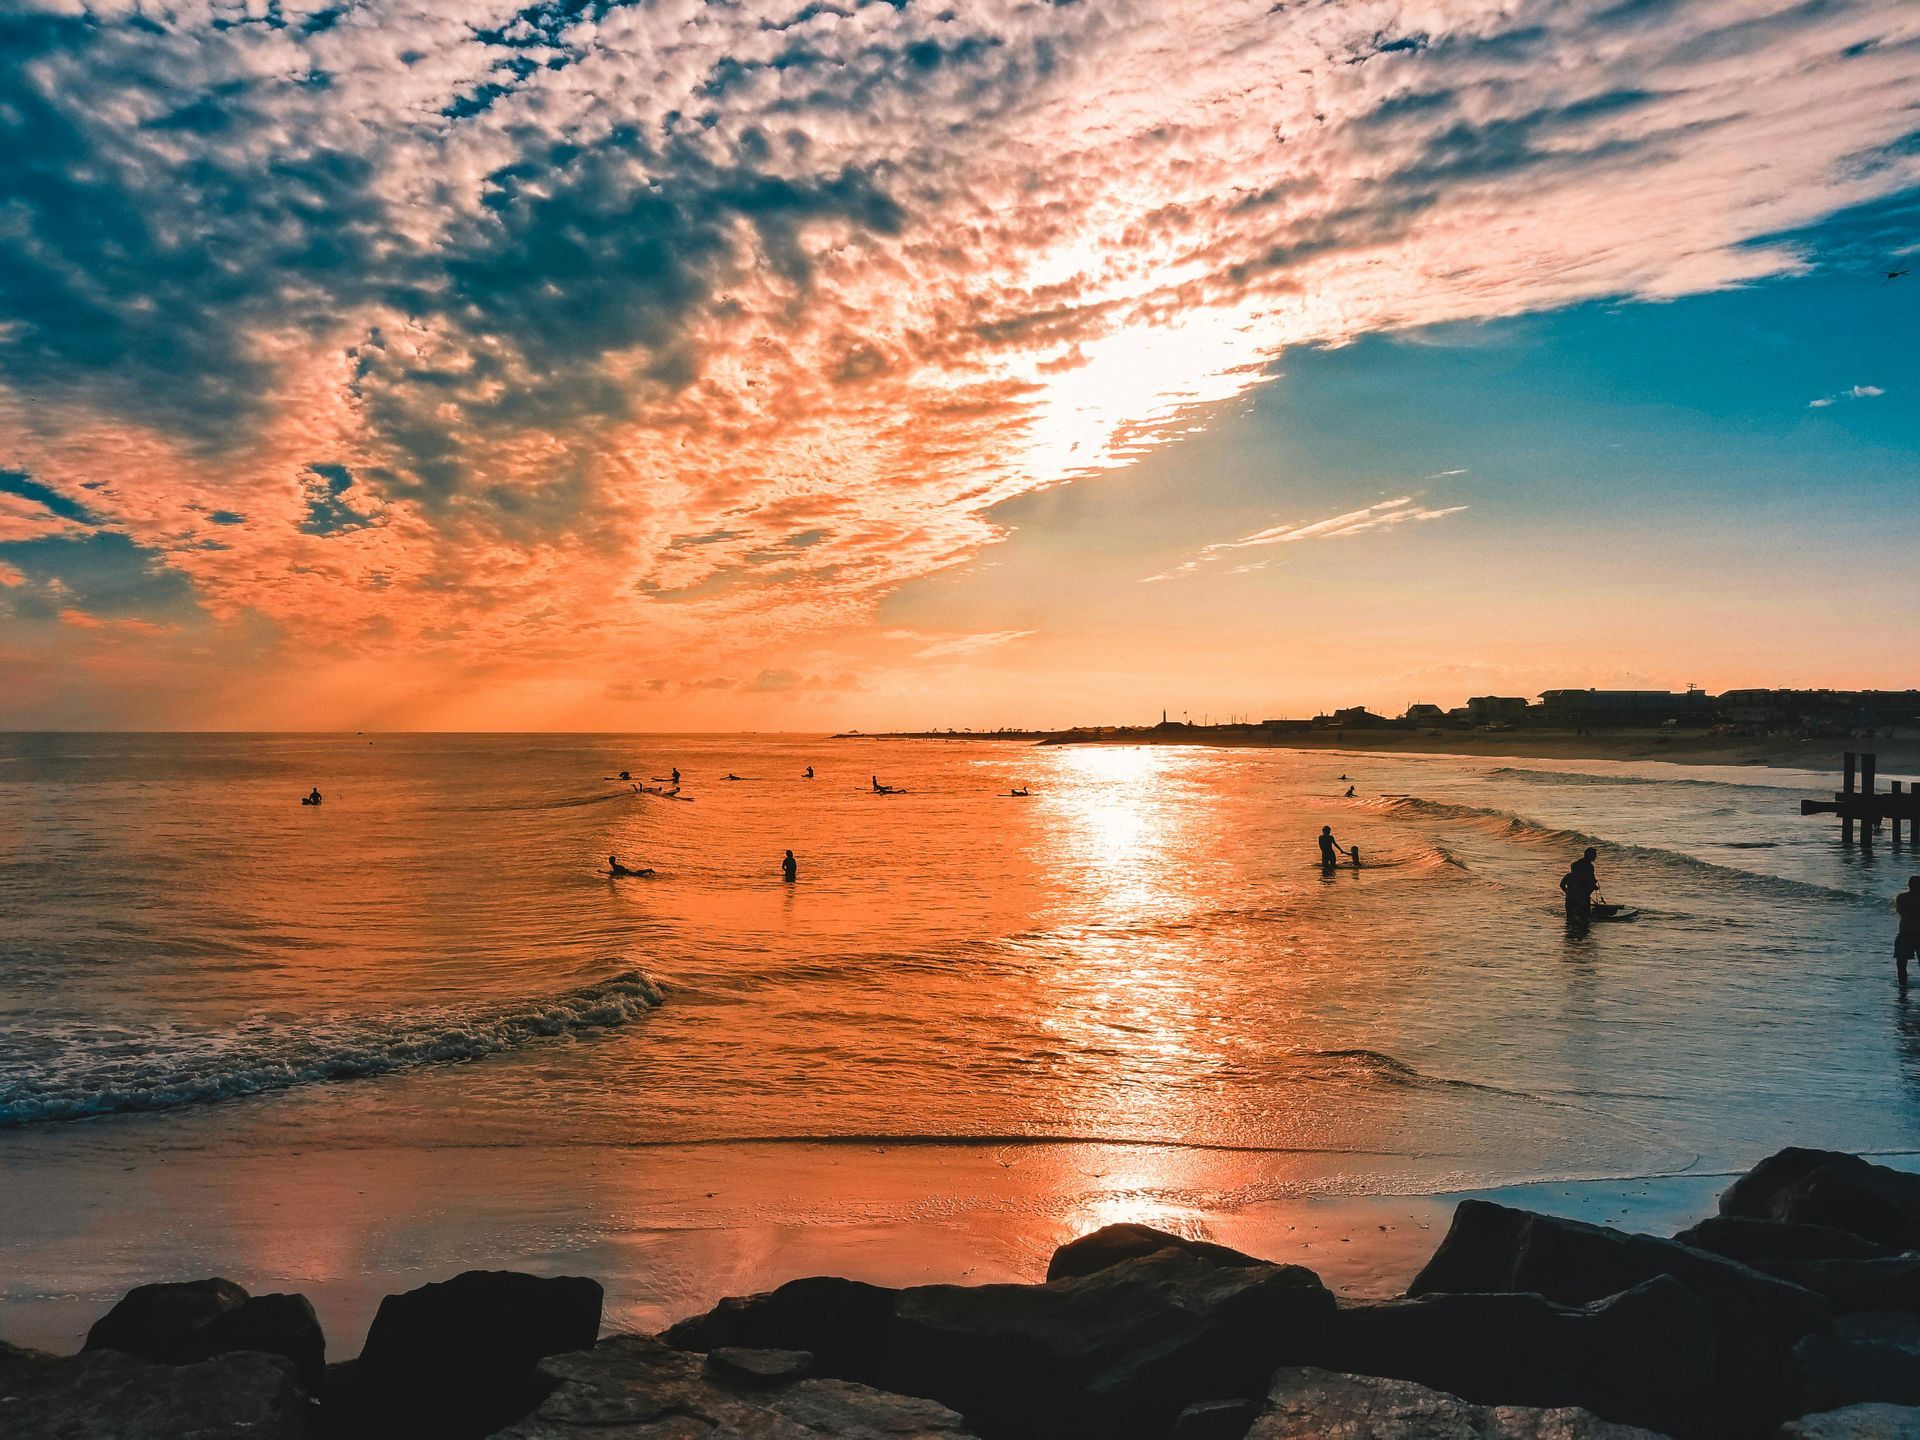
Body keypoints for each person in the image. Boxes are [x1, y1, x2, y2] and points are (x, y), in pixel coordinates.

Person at [1561, 846, 1599, 926]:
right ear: (1589, 855)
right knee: (1585, 918)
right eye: (1594, 855)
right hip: (1582, 897)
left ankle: (1572, 932)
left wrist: (1567, 892)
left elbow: (1561, 885)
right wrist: (1594, 886)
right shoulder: (1589, 867)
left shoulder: (1569, 875)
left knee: (1570, 918)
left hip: (1570, 897)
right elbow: (1590, 881)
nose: (1596, 856)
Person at [1897, 876, 1920, 985]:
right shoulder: (1902, 898)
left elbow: (1904, 914)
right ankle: (1902, 989)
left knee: (1901, 965)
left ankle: (1902, 989)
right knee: (1901, 965)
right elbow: (1904, 914)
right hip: (1907, 934)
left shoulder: (1902, 898)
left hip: (1906, 933)